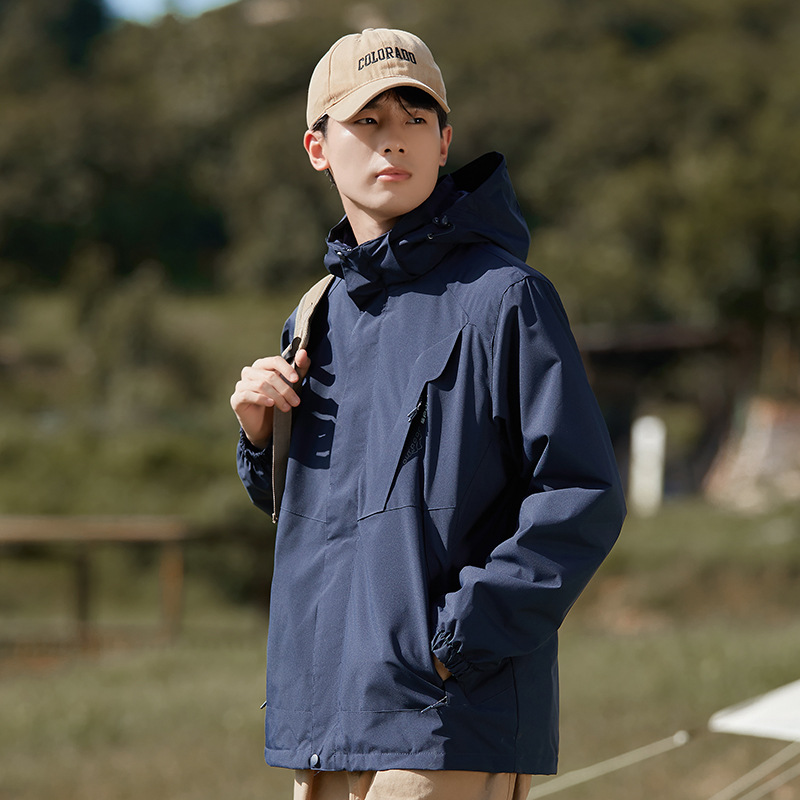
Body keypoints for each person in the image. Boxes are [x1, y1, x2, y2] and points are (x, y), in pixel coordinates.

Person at [231, 27, 626, 800]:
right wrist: (259, 436)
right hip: (326, 723)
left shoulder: (507, 298)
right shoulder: (314, 317)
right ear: (317, 147)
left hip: (446, 721)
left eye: (415, 119)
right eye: (368, 120)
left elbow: (581, 494)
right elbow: (321, 520)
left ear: (444, 142)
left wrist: (452, 642)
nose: (394, 141)